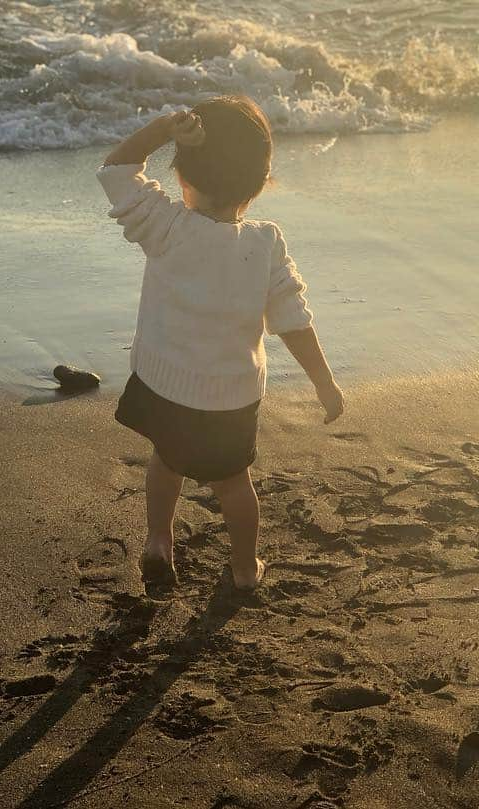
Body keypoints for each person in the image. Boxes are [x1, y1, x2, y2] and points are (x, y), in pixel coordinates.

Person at [96, 95, 343, 591]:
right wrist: (324, 383)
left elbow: (116, 168)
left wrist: (167, 126)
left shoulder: (165, 226)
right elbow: (293, 321)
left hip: (163, 387)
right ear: (258, 182)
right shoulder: (265, 245)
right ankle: (246, 569)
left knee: (167, 462)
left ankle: (158, 541)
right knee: (234, 483)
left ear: (182, 175)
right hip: (230, 399)